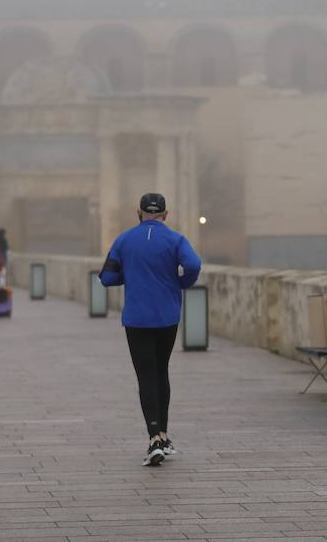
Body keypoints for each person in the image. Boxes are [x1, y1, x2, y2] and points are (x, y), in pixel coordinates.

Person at [99, 192, 202, 466]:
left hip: (137, 319)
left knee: (145, 375)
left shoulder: (123, 240)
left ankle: (153, 437)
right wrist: (182, 283)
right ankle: (164, 436)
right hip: (168, 316)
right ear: (165, 215)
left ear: (139, 212)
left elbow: (107, 278)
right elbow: (193, 265)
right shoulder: (176, 239)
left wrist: (130, 274)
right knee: (161, 371)